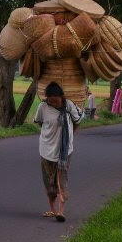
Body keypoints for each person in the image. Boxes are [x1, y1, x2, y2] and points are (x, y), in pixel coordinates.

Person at [34, 82, 83, 222]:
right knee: (49, 183)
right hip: (46, 150)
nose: (53, 103)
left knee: (62, 181)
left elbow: (77, 120)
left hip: (65, 151)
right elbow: (38, 121)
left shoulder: (69, 106)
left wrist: (70, 136)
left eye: (55, 100)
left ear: (61, 97)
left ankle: (61, 211)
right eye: (50, 100)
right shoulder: (43, 107)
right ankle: (52, 209)